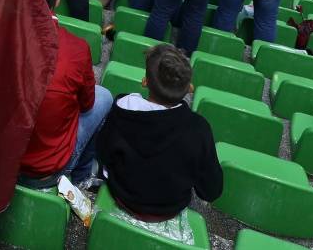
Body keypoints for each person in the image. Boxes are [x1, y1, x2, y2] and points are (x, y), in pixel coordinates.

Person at [95, 45, 223, 241]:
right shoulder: (199, 129)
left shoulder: (123, 107)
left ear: (145, 82)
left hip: (121, 196)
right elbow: (211, 191)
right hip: (168, 208)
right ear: (189, 88)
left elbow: (103, 152)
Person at [16, 0, 114, 190]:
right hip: (44, 167)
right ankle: (80, 177)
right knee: (104, 97)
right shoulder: (76, 50)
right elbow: (87, 102)